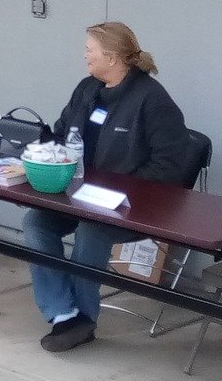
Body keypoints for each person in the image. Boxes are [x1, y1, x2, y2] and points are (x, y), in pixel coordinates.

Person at [24, 22, 198, 353]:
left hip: (131, 206)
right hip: (78, 196)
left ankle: (84, 321)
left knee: (92, 230)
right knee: (35, 222)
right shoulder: (87, 89)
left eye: (90, 49)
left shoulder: (152, 99)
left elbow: (171, 164)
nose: (84, 55)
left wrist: (122, 189)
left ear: (113, 56)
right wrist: (42, 150)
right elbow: (62, 133)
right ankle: (64, 313)